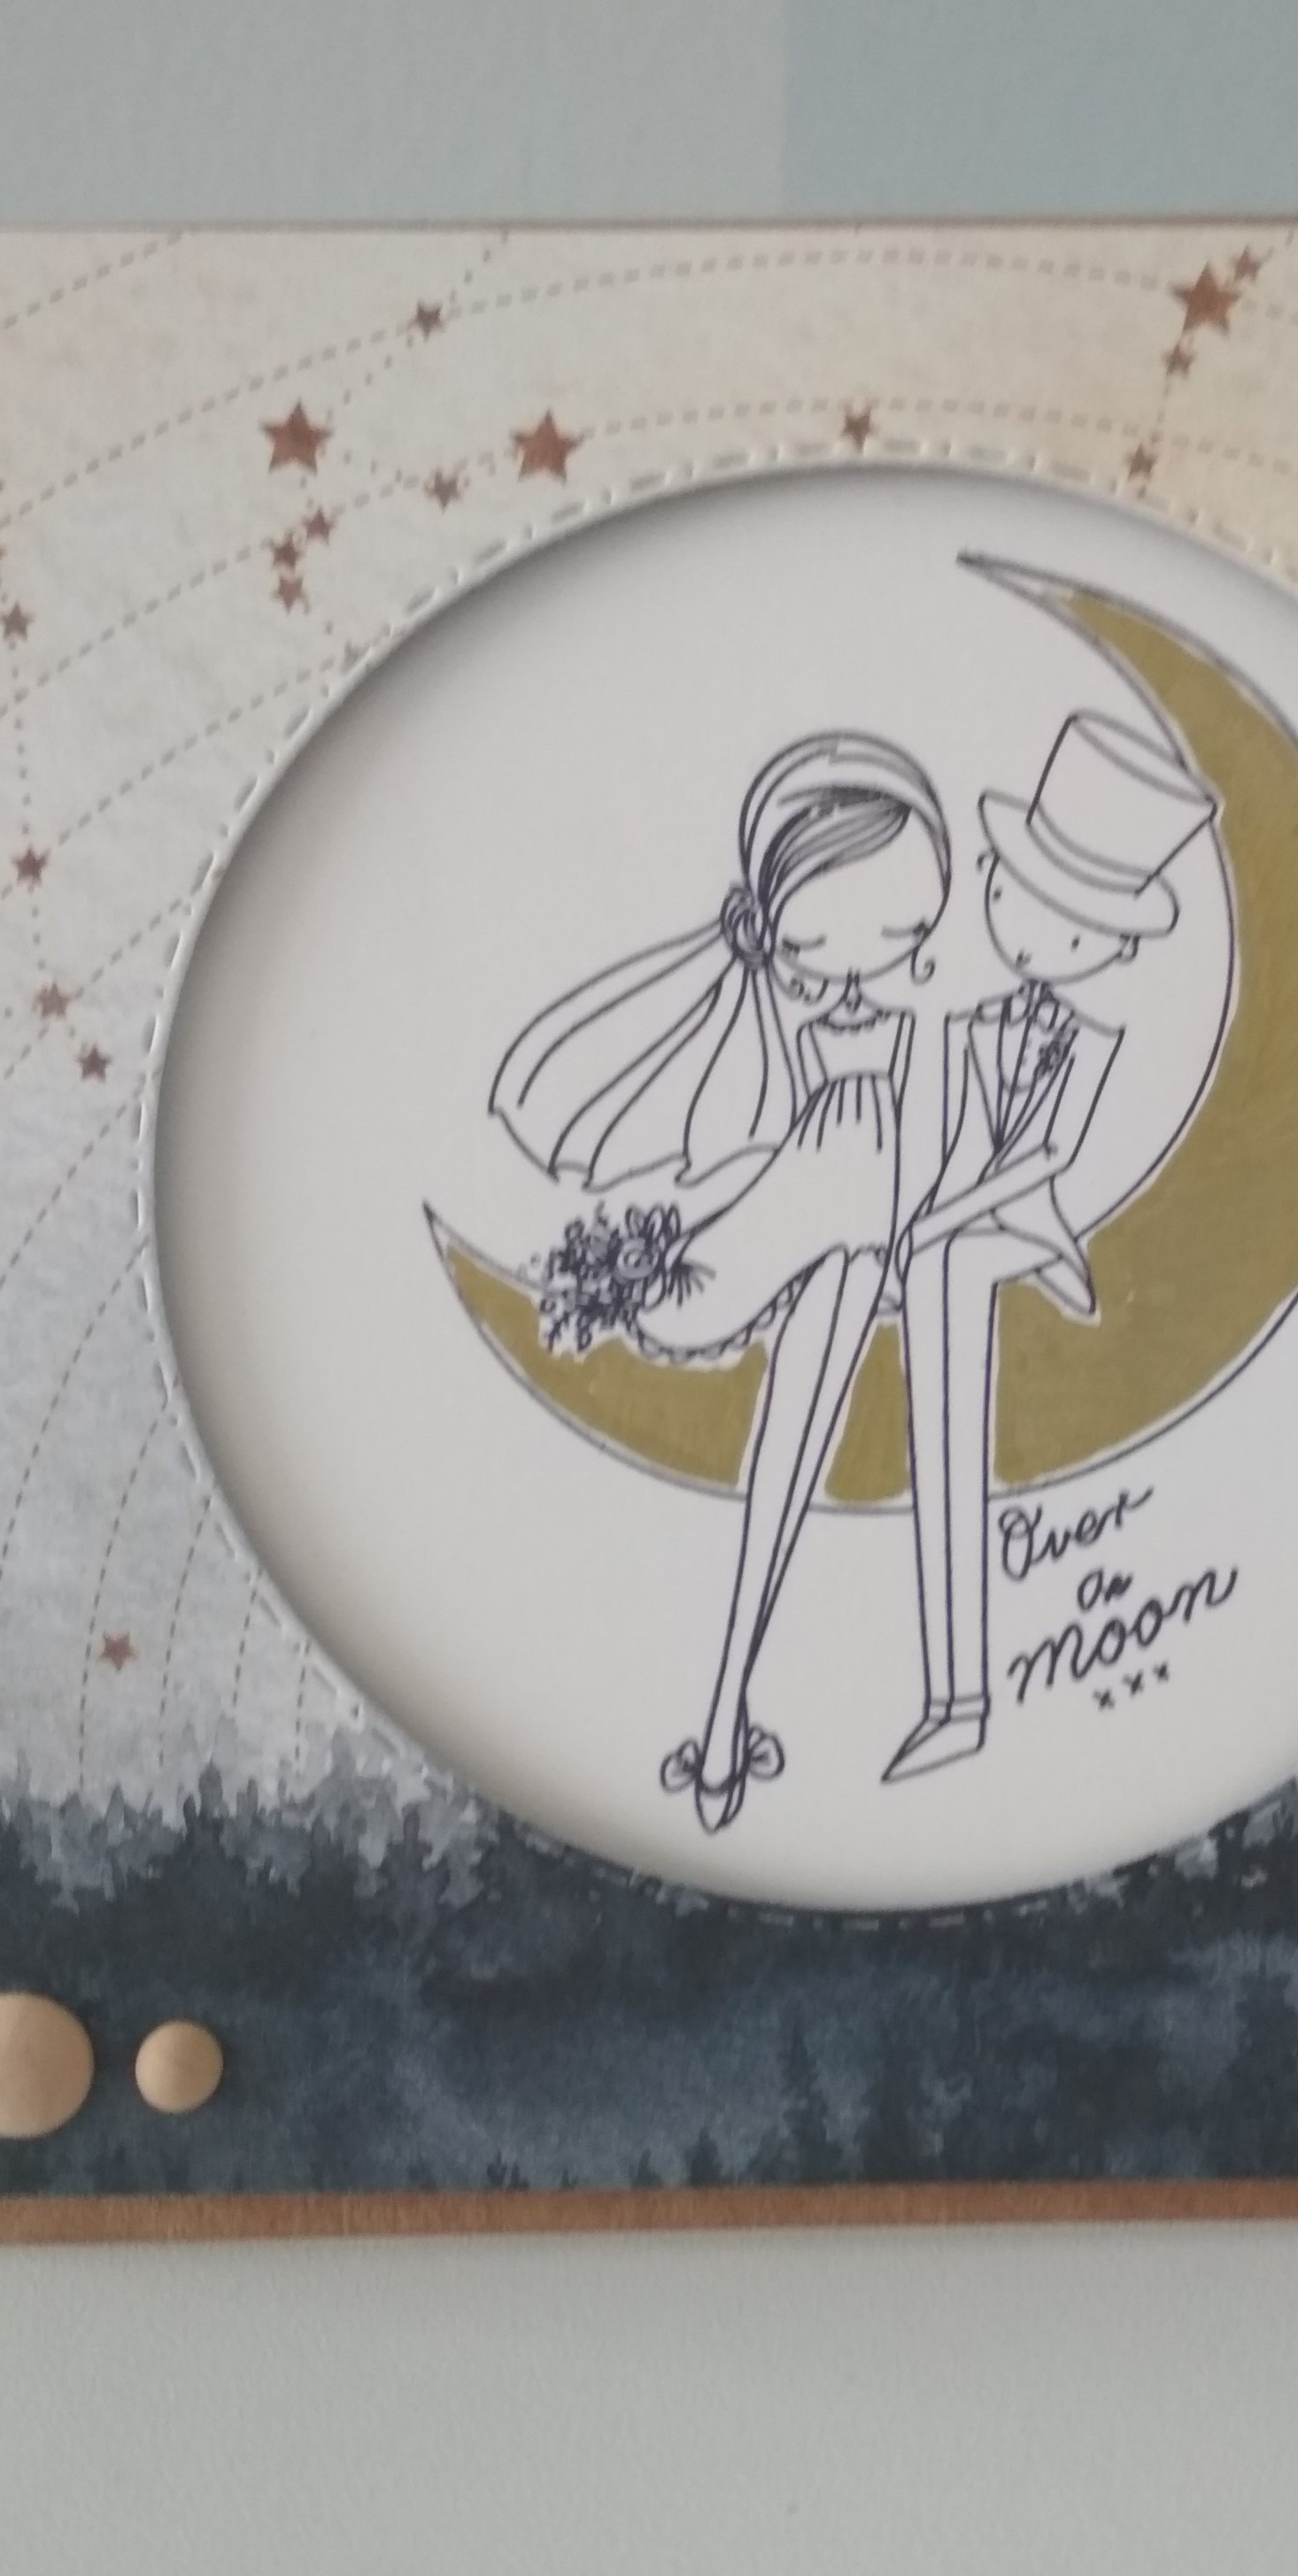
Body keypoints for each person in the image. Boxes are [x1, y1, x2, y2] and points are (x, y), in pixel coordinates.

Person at [491, 733, 954, 1830]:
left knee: (786, 1461)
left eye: (900, 936)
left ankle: (718, 1723)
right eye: (816, 945)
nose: (856, 974)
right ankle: (718, 1721)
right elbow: (755, 1139)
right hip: (806, 1224)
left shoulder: (927, 1021)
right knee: (782, 1454)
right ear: (769, 929)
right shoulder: (776, 1022)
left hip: (861, 1235)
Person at [885, 711, 1219, 1782]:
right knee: (928, 1272)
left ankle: (960, 1695)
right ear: (991, 882)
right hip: (950, 1220)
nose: (1033, 939)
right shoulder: (963, 1017)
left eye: (1074, 931)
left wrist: (941, 1220)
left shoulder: (1095, 1037)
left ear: (1115, 946)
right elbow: (935, 1142)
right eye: (1018, 901)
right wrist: (921, 1214)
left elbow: (1045, 1160)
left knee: (944, 1265)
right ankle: (952, 1693)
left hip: (1025, 1223)